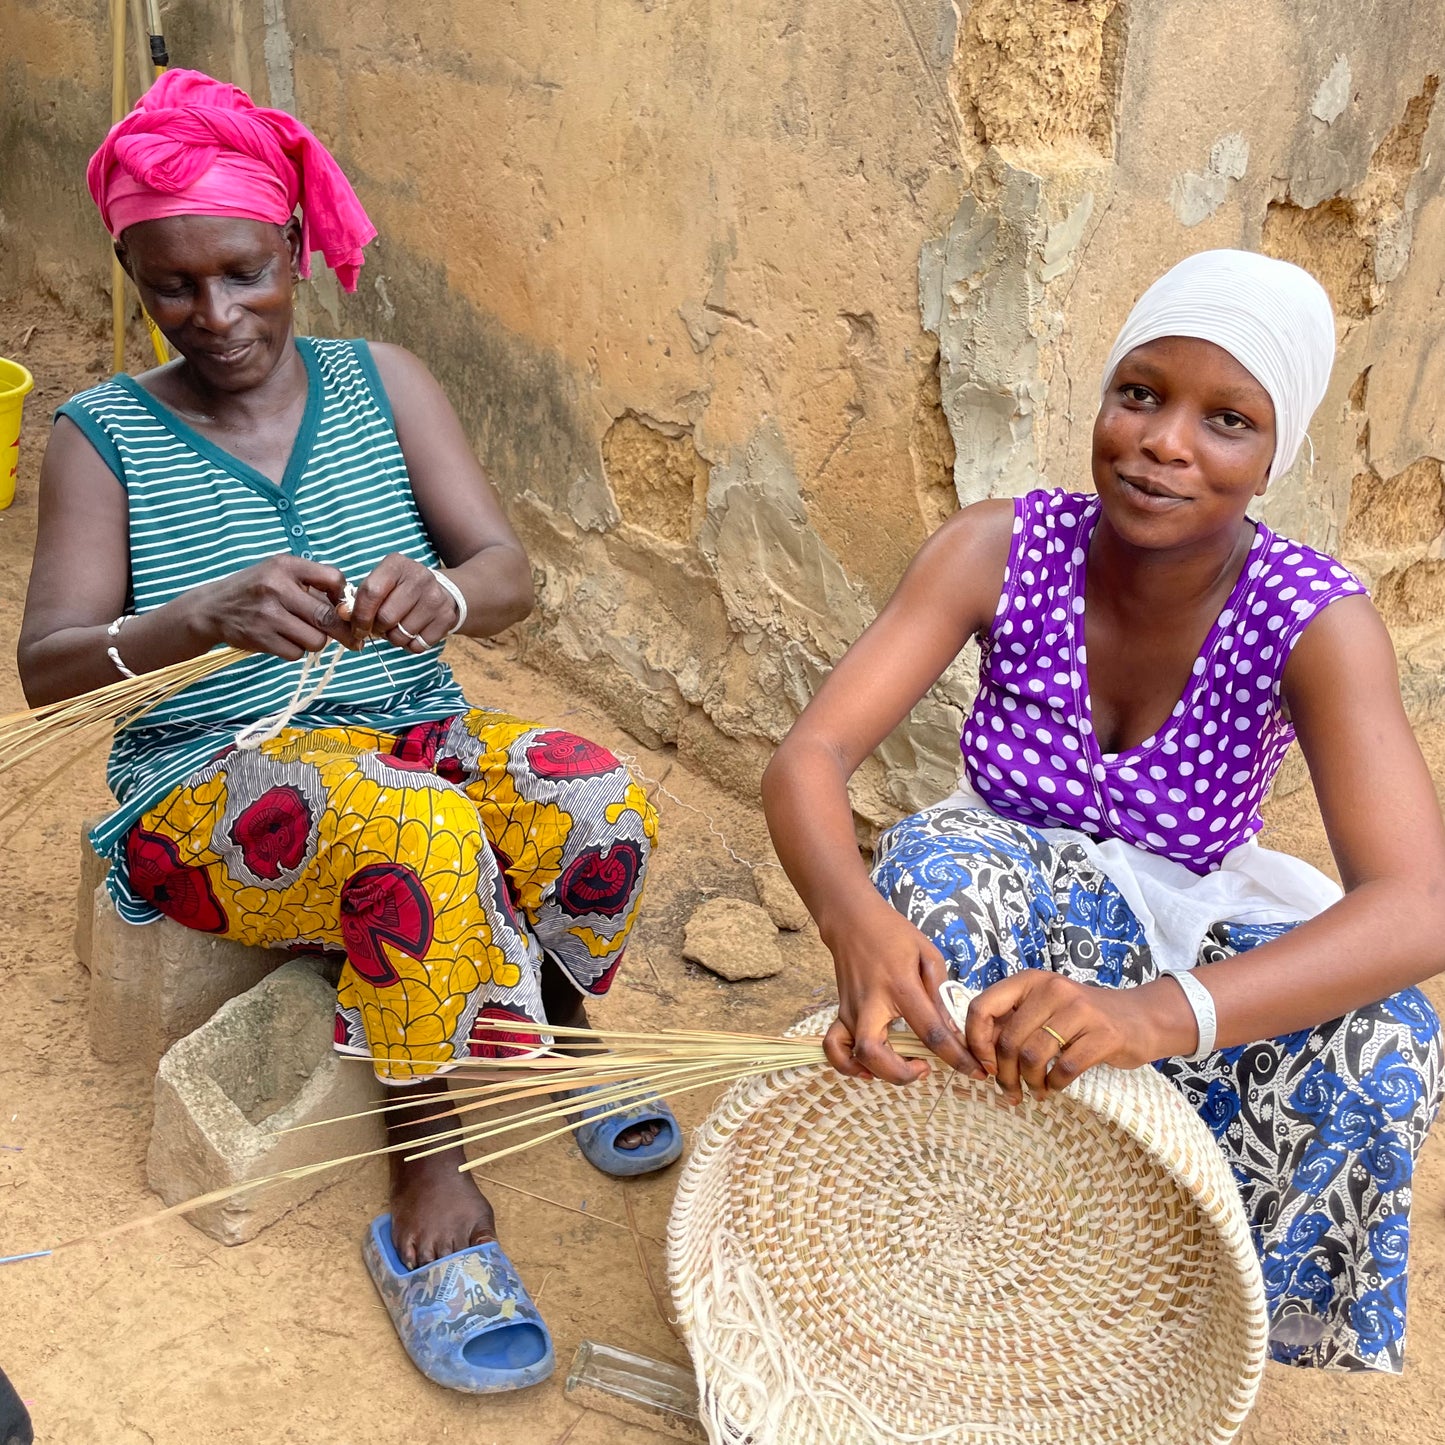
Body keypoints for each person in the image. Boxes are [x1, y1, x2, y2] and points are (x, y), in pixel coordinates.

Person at [19, 69, 680, 1394]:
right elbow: (47, 669)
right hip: (209, 783)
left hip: (408, 729)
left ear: (296, 249)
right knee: (418, 831)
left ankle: (554, 1015)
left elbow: (505, 569)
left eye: (244, 272)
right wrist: (197, 615)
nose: (216, 315)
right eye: (173, 286)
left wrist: (443, 594)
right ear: (131, 276)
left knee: (596, 794)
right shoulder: (103, 437)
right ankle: (425, 1168)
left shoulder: (384, 383)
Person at [762, 249, 1445, 1373]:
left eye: (1226, 419)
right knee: (935, 874)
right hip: (1008, 916)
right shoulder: (1000, 547)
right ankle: (940, 1247)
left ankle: (1180, 1328)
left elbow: (1418, 904)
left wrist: (1154, 1015)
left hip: (1177, 946)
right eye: (1139, 392)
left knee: (1388, 1041)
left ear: (1272, 457)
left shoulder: (1312, 619)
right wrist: (850, 916)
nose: (1163, 441)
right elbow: (810, 754)